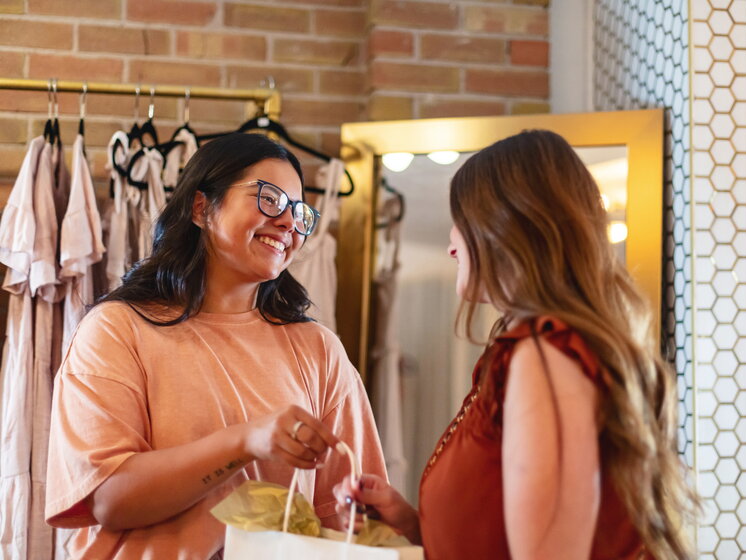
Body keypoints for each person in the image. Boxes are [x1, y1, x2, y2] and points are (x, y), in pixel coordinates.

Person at [334, 130, 698, 559]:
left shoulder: (547, 353)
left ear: (505, 228)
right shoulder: (534, 353)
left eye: (462, 219)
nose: (452, 244)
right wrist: (412, 525)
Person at [45, 133, 386, 558]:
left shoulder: (319, 350)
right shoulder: (116, 330)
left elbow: (354, 518)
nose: (288, 223)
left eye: (300, 213)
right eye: (270, 199)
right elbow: (109, 498)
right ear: (202, 208)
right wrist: (245, 441)